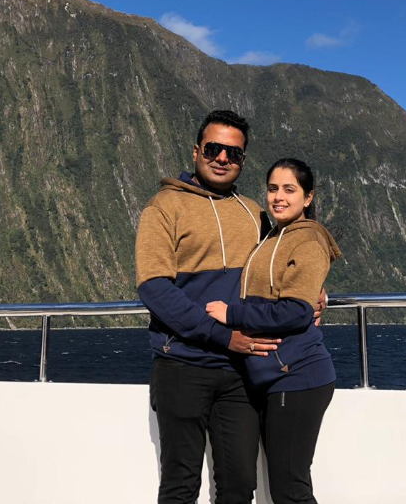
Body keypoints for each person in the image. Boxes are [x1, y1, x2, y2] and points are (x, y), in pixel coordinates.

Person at [136, 109, 282, 504]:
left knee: (239, 486)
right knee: (180, 486)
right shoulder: (163, 207)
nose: (222, 158)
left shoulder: (255, 213)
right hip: (181, 365)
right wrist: (222, 335)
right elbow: (154, 287)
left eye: (233, 153)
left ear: (243, 160)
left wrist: (313, 292)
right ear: (196, 151)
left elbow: (281, 266)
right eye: (213, 148)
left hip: (240, 372)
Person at [206, 158, 340, 504]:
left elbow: (296, 311)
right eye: (272, 189)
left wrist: (231, 314)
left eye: (289, 189)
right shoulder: (274, 234)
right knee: (284, 486)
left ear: (308, 197)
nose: (278, 197)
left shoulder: (308, 240)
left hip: (297, 376)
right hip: (275, 374)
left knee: (290, 489)